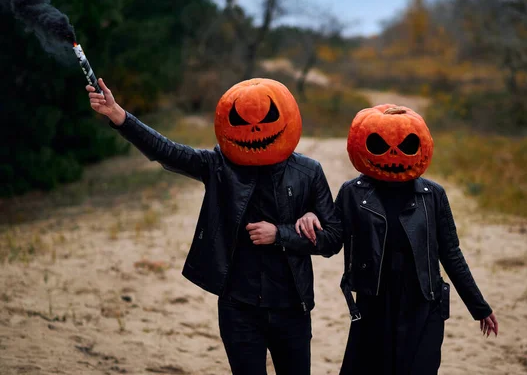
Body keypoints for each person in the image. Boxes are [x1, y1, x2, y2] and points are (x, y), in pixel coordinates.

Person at [86, 77, 342, 375]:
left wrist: (279, 234)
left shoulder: (308, 172)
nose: (255, 130)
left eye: (267, 119)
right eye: (241, 121)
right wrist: (120, 117)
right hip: (239, 306)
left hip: (291, 307)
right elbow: (168, 152)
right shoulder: (220, 166)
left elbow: (334, 239)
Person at [296, 104, 498, 374]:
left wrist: (479, 306)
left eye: (407, 144)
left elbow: (451, 253)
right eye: (378, 144)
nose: (393, 153)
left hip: (424, 305)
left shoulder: (433, 195)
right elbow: (332, 241)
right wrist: (307, 217)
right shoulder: (353, 193)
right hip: (374, 305)